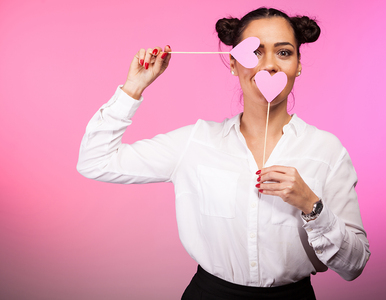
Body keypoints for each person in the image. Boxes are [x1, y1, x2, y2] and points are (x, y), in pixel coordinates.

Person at [77, 7, 370, 300]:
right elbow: (95, 161)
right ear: (233, 63)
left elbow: (354, 266)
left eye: (283, 53)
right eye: (254, 53)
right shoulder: (196, 142)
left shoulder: (327, 150)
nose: (269, 65)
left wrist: (311, 205)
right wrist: (133, 87)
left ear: (298, 64)